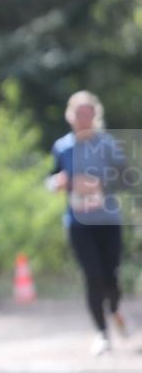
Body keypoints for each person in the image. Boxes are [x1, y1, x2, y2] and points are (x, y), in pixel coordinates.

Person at [47, 90, 129, 355]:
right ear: (70, 116)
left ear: (95, 114)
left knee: (110, 278)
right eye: (78, 113)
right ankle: (102, 334)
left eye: (88, 113)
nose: (83, 118)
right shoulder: (63, 147)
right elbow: (51, 180)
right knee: (92, 277)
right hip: (78, 223)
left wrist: (101, 183)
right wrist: (59, 183)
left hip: (107, 220)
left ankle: (114, 309)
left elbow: (127, 177)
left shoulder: (108, 145)